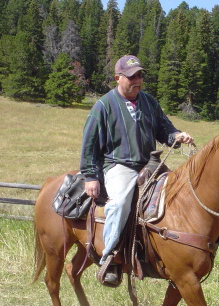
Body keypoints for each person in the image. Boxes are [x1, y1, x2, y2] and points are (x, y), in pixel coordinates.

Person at [80, 55, 193, 283]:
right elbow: (89, 143)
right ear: (118, 78)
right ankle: (109, 256)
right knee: (121, 203)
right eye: (131, 77)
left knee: (177, 193)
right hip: (119, 165)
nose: (137, 80)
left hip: (150, 163)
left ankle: (173, 253)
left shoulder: (149, 102)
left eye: (140, 75)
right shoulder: (103, 106)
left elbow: (165, 129)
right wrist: (90, 176)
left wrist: (176, 135)